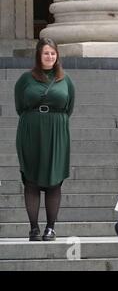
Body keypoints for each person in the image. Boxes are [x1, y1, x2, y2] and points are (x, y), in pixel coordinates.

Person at [14, 38, 75, 241]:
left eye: (53, 53)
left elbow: (69, 107)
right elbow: (19, 106)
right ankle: (33, 228)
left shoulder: (65, 80)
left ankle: (50, 228)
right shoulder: (26, 79)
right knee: (31, 180)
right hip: (31, 131)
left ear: (57, 56)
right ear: (39, 56)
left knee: (54, 181)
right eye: (45, 53)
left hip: (57, 132)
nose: (49, 56)